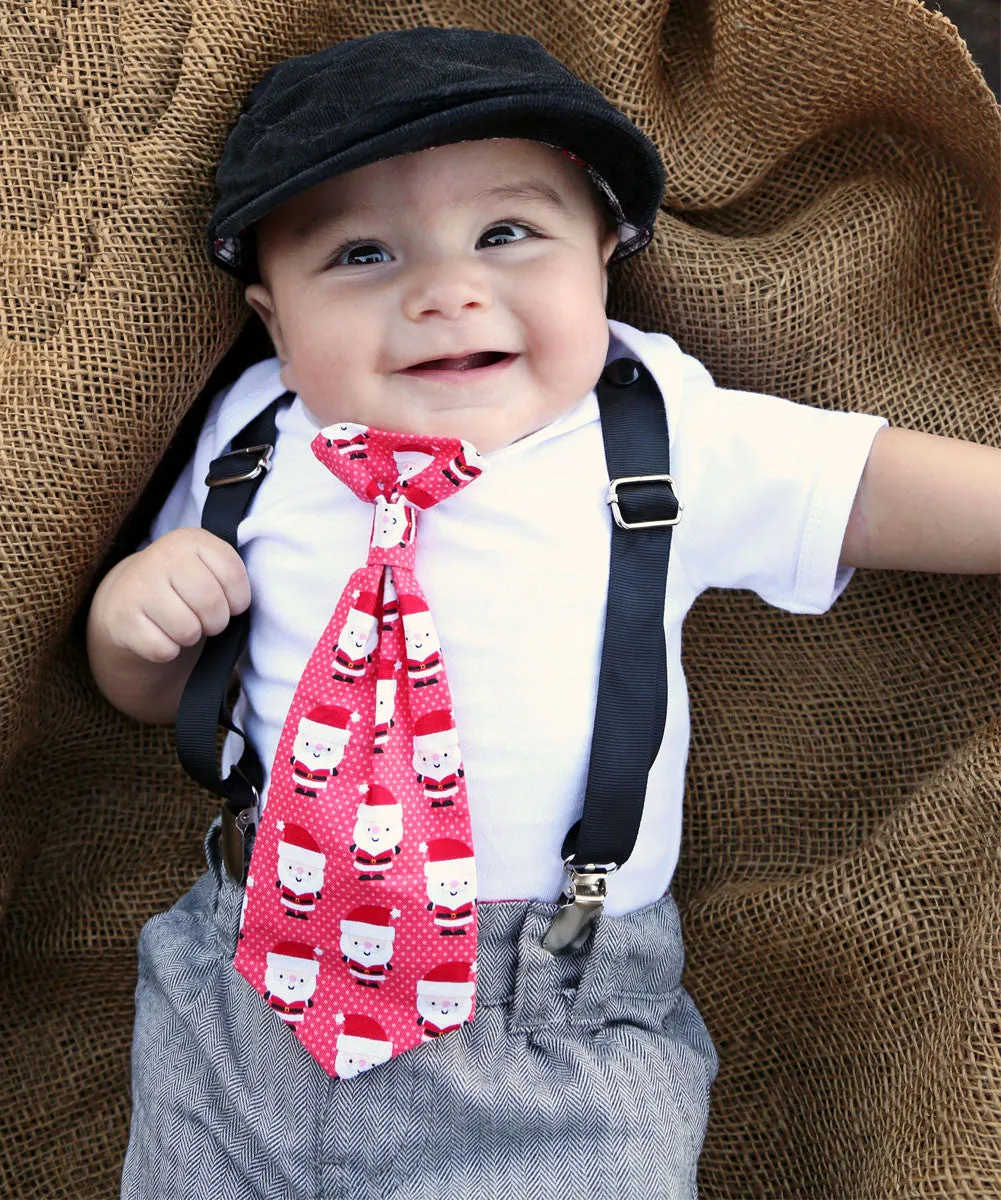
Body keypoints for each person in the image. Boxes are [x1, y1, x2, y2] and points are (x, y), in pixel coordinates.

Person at [84, 26, 1001, 1200]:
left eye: (506, 234)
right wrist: (132, 622)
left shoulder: (661, 431)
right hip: (240, 997)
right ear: (272, 318)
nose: (443, 290)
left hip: (545, 1028)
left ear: (604, 257)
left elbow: (868, 490)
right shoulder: (259, 439)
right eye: (360, 253)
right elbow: (164, 691)